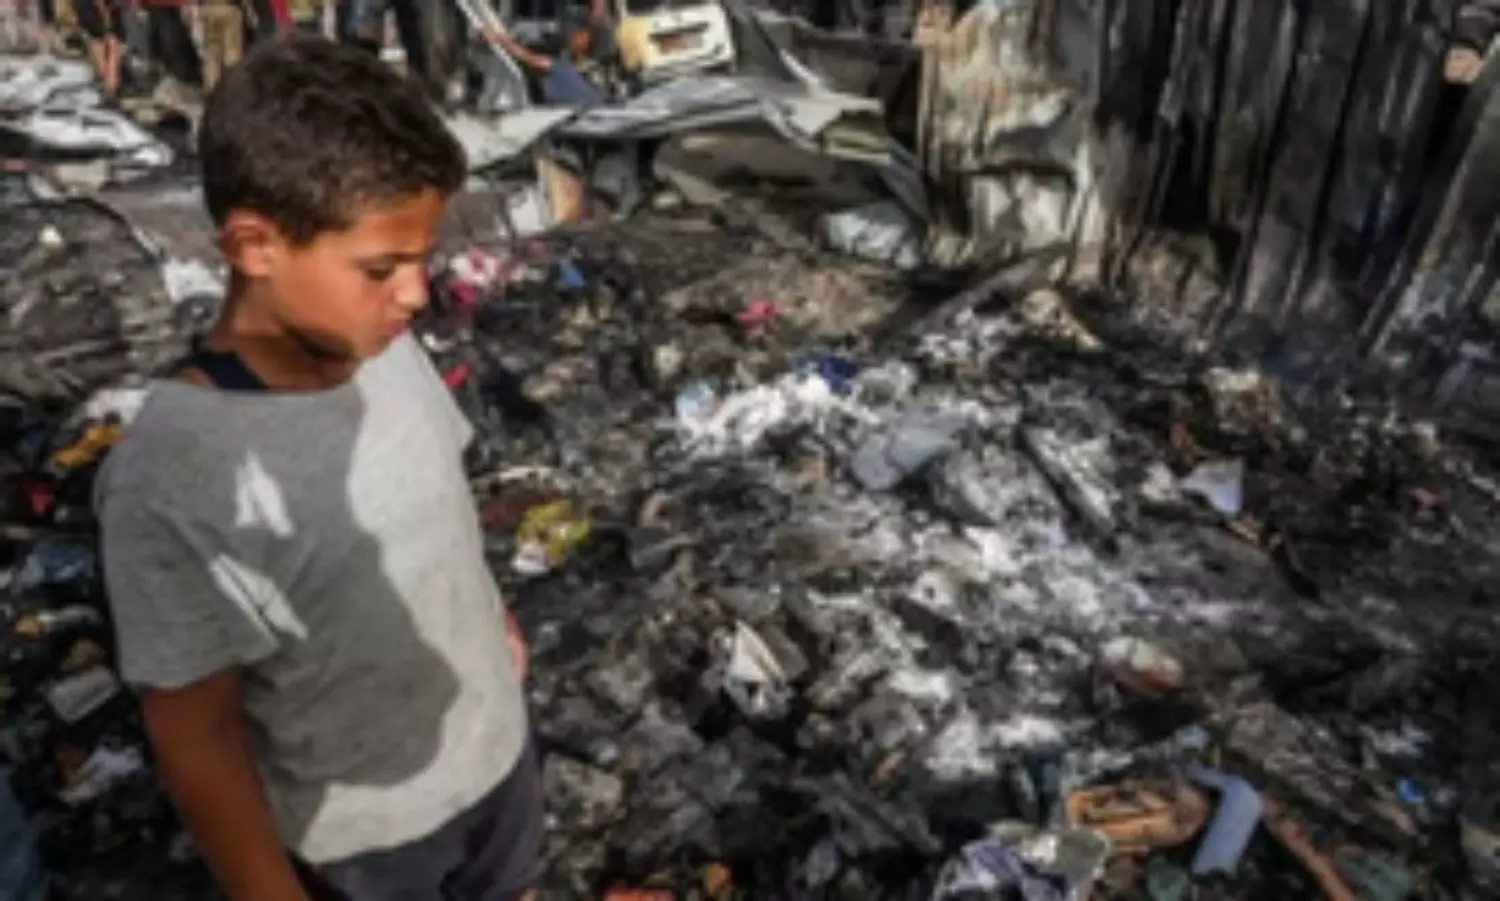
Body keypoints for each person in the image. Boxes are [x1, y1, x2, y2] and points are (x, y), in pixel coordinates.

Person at [96, 34, 540, 901]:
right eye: (382, 267)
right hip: (371, 841)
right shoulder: (175, 479)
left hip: (498, 757)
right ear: (254, 245)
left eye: (421, 259)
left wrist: (489, 622)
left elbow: (439, 509)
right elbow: (198, 737)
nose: (416, 294)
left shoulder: (383, 349)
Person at [72, 0, 127, 97]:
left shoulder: (113, 6)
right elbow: (89, 26)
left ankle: (110, 88)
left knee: (114, 47)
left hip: (110, 39)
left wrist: (112, 37)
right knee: (100, 48)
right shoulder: (84, 5)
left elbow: (120, 30)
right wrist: (105, 36)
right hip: (91, 36)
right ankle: (109, 87)